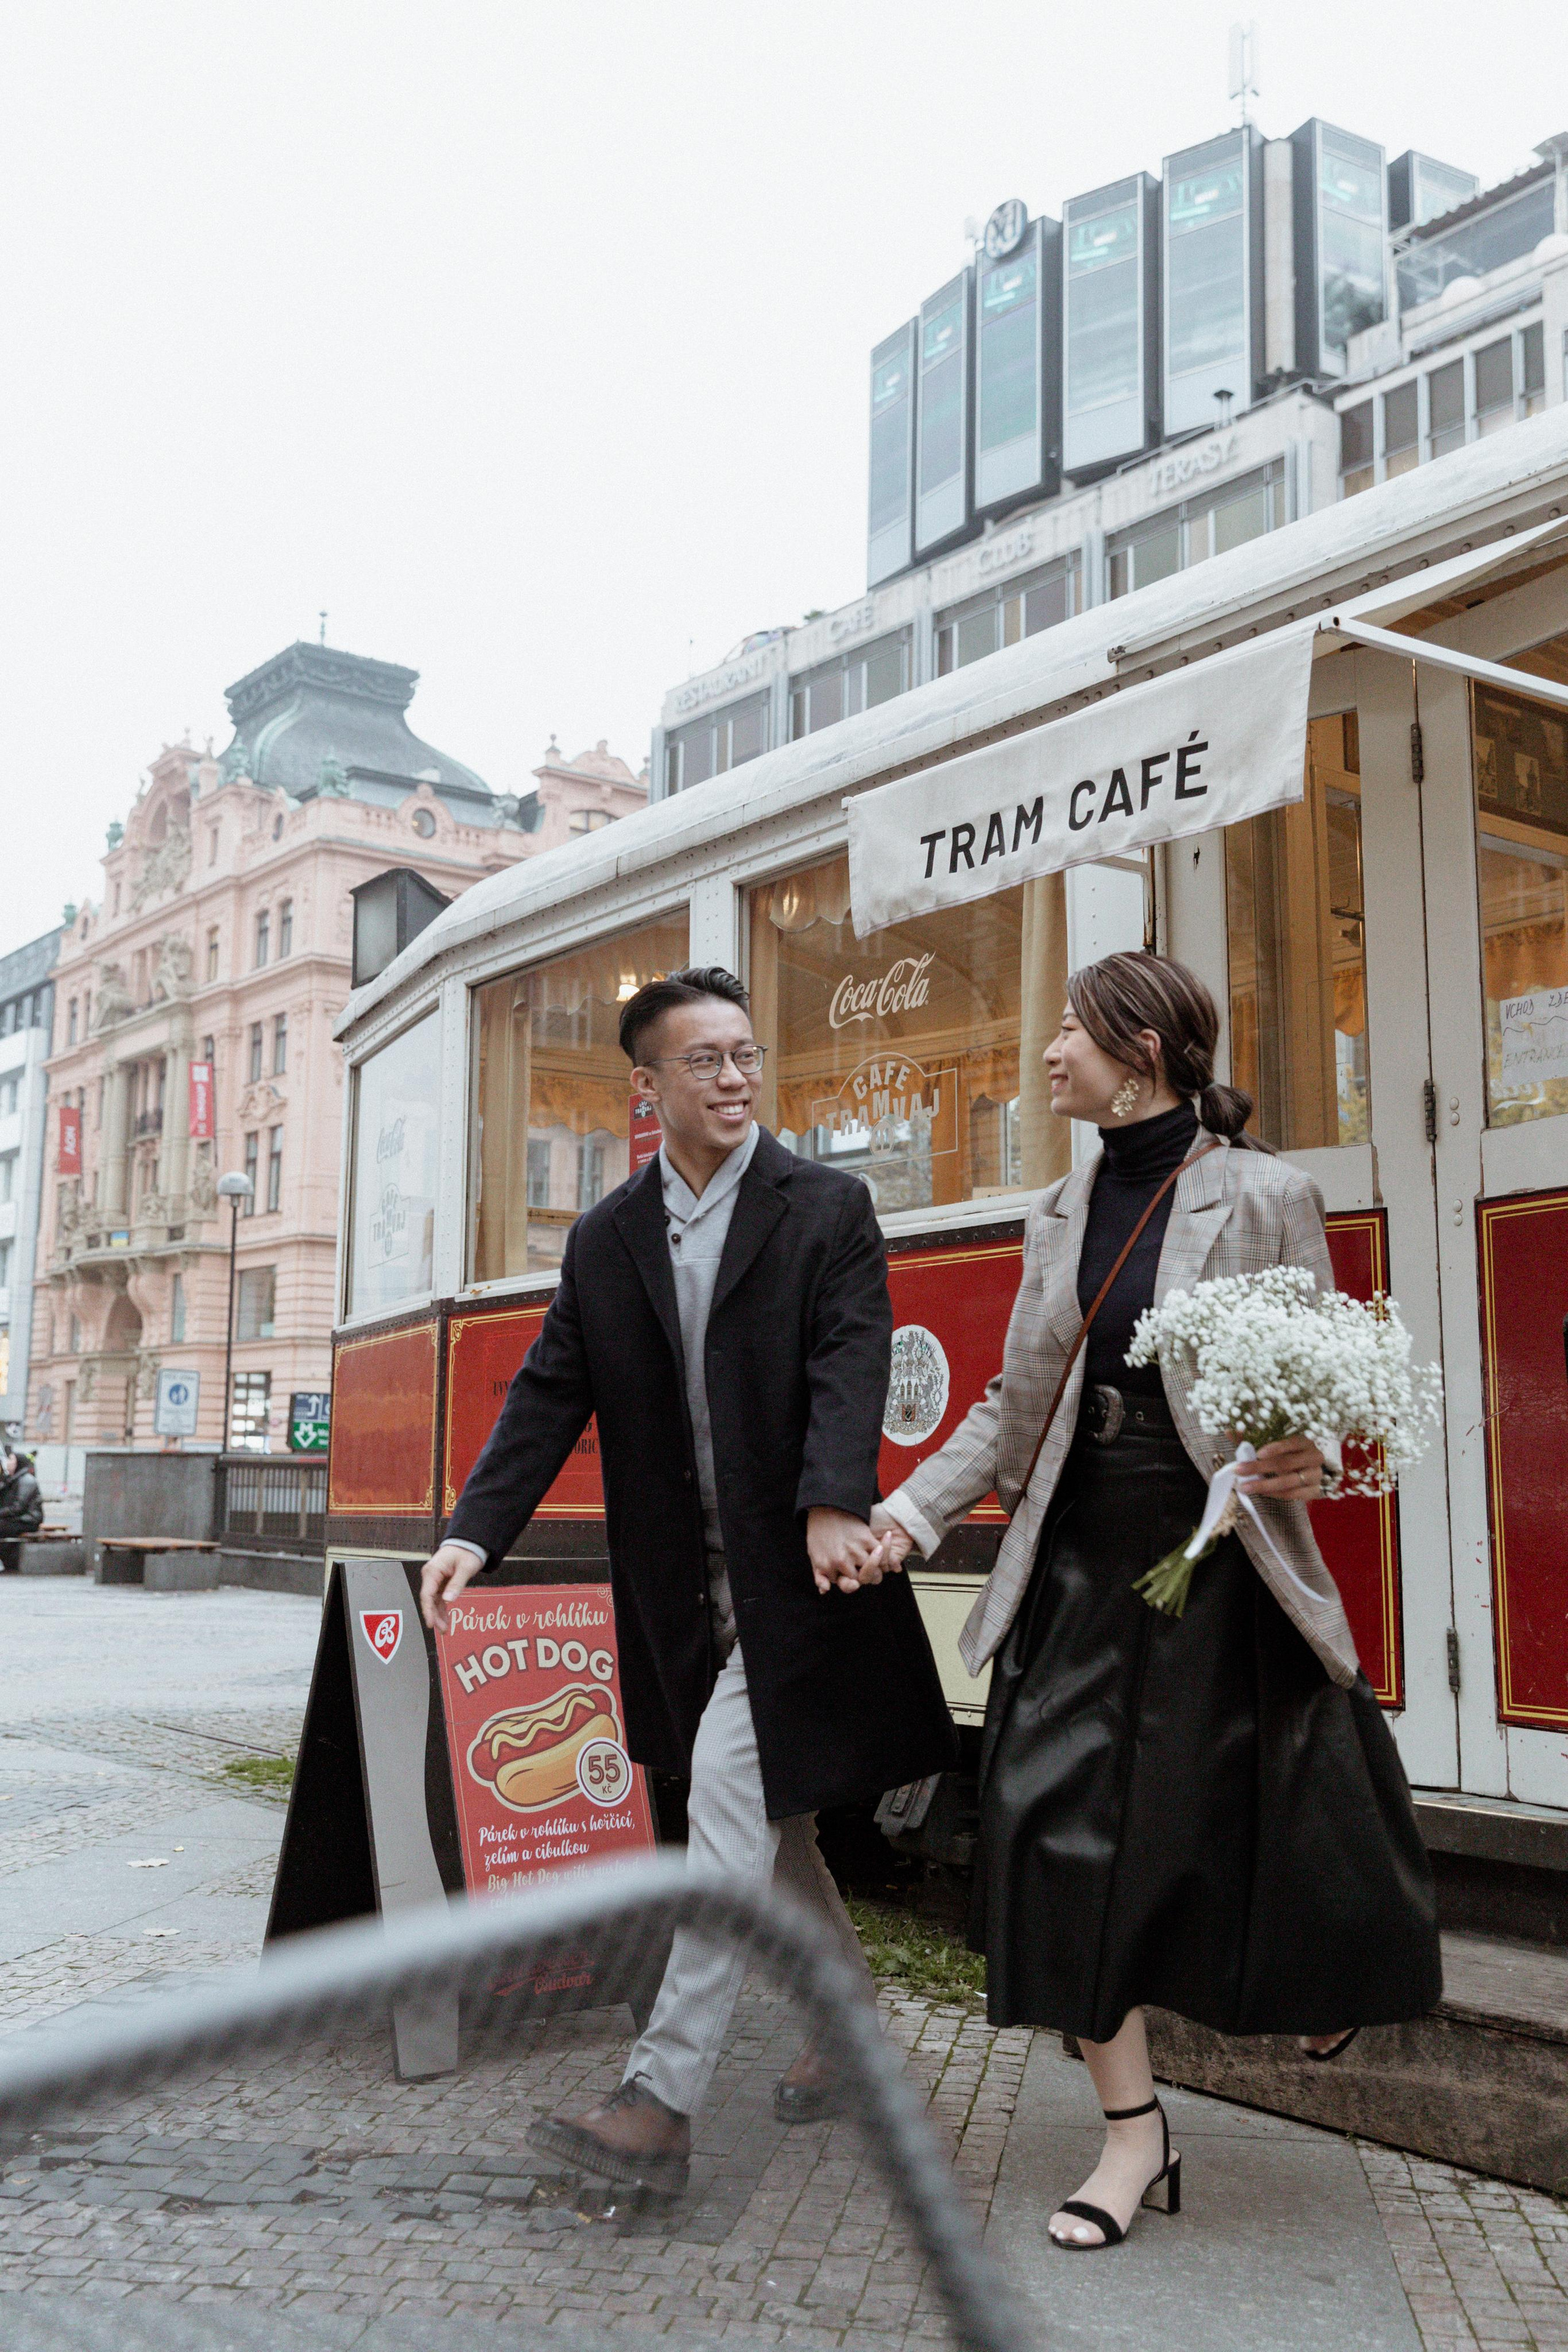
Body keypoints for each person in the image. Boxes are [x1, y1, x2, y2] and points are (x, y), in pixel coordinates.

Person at [872, 951, 1441, 2252]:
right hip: (1075, 1563)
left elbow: (1325, 1385)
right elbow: (1010, 1413)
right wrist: (910, 1513)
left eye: (1069, 1030)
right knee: (1044, 1828)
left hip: (1215, 1562)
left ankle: (1322, 1985)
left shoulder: (1262, 1194)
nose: (1048, 1051)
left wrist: (1320, 1447)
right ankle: (1135, 2136)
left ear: (1138, 1050)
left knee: (1254, 1819)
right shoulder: (1054, 1212)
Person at [420, 964, 955, 2196]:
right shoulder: (607, 1237)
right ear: (647, 1085)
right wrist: (474, 1531)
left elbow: (848, 1358)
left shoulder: (825, 1206)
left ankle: (660, 2099)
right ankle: (851, 2037)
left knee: (726, 1794)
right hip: (684, 1592)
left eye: (743, 1054)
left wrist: (834, 1500)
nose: (733, 1077)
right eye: (703, 1060)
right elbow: (553, 1387)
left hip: (797, 1579)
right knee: (776, 1823)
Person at [0, 1446, 44, 1573]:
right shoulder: (14, 1480)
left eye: (11, 1460)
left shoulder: (27, 1481)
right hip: (18, 1519)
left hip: (28, 1520)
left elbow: (18, 1507)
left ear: (18, 1463)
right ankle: (10, 1563)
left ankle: (11, 1564)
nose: (7, 1463)